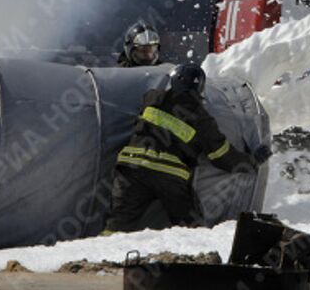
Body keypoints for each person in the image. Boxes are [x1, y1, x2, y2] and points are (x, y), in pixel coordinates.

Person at [104, 64, 272, 232]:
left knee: (117, 224)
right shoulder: (201, 118)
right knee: (189, 227)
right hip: (169, 174)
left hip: (131, 168)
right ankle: (194, 255)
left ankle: (98, 255)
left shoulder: (152, 98)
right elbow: (223, 157)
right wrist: (253, 161)